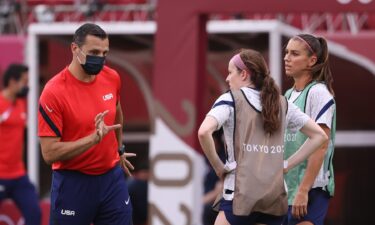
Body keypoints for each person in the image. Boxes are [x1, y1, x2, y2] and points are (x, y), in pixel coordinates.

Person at [197, 49, 328, 225]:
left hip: (240, 196)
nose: (227, 79)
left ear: (244, 74)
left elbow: (204, 132)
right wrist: (287, 165)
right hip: (274, 198)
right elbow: (319, 136)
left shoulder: (230, 100)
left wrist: (218, 167)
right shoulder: (282, 103)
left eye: (230, 73)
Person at [38, 23, 135, 225]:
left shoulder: (112, 77)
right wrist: (93, 139)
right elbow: (49, 153)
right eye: (94, 52)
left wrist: (119, 149)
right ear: (75, 49)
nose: (99, 58)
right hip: (74, 182)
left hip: (111, 180)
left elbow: (118, 114)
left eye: (104, 53)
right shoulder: (54, 92)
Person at [282, 34, 336, 225]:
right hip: (288, 189)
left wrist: (303, 190)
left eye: (294, 54)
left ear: (312, 61)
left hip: (310, 189)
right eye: (286, 52)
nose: (287, 58)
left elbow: (321, 145)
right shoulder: (288, 94)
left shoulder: (319, 93)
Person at [0, 64, 42, 225]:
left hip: (18, 175)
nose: (27, 86)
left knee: (34, 214)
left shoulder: (20, 104)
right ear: (12, 81)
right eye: (24, 82)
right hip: (0, 174)